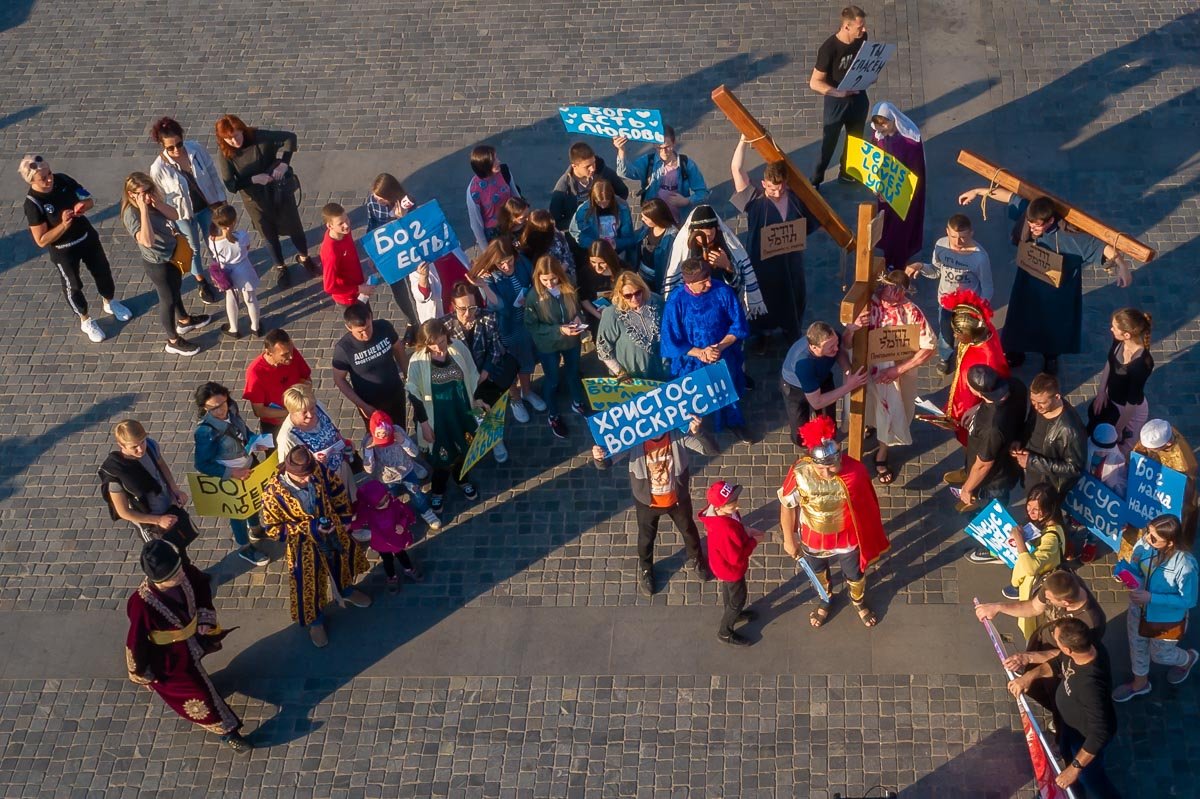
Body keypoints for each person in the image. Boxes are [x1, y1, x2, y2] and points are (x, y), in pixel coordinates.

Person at [957, 188, 1134, 375]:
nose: (1032, 228)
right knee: (1021, 319)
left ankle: (1050, 357)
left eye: (1038, 225)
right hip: (1028, 283)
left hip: (1057, 292)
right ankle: (1016, 352)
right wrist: (978, 191)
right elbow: (1008, 195)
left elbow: (1103, 248)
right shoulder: (1031, 213)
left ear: (1050, 221)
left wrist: (1123, 267)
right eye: (1030, 223)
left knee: (1053, 324)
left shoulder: (1072, 236)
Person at [125, 540, 251, 753]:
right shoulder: (141, 604)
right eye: (174, 575)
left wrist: (204, 619)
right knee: (200, 696)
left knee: (202, 674)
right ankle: (228, 732)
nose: (181, 575)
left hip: (193, 638)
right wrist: (142, 673)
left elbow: (202, 586)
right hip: (169, 660)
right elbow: (136, 641)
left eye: (179, 569)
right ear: (161, 581)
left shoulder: (186, 572)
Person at [778, 416, 890, 627]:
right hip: (813, 537)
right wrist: (788, 538)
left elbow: (866, 506)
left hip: (847, 538)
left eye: (831, 467)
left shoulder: (855, 472)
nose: (827, 473)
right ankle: (825, 599)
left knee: (855, 574)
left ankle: (858, 601)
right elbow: (787, 505)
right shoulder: (799, 472)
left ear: (839, 458)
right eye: (821, 469)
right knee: (818, 573)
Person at [259, 447, 372, 648]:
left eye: (309, 475)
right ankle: (315, 621)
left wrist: (345, 518)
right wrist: (310, 527)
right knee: (308, 585)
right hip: (303, 545)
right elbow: (273, 530)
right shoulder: (272, 493)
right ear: (288, 470)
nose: (307, 480)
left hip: (332, 532)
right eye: (302, 477)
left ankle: (346, 590)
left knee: (341, 563)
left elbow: (337, 491)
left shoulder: (317, 469)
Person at [591, 416, 715, 596]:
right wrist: (599, 457)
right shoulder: (633, 438)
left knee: (689, 530)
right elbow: (606, 462)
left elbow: (710, 449)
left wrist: (699, 432)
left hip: (677, 498)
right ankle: (646, 569)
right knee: (646, 538)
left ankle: (697, 559)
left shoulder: (677, 434)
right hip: (646, 502)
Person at [19, 154, 132, 343]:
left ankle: (110, 302)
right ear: (31, 181)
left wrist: (83, 206)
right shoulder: (33, 204)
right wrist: (63, 225)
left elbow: (89, 200)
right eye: (43, 178)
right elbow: (41, 240)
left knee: (102, 271)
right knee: (73, 285)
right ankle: (85, 319)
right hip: (64, 250)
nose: (49, 179)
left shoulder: (63, 179)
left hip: (87, 237)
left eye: (49, 173)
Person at [1007, 618, 1120, 798]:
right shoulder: (1082, 650)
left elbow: (1101, 732)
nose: (1053, 639)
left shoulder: (1090, 686)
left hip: (1084, 738)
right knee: (1069, 760)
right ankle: (1075, 793)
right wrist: (1029, 676)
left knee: (1092, 779)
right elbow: (1058, 662)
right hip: (1069, 726)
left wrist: (1074, 769)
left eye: (1056, 639)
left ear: (1068, 649)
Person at [842, 270, 936, 482]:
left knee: (889, 414)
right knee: (861, 407)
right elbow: (845, 343)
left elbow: (929, 347)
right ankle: (863, 429)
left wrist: (898, 370)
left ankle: (882, 453)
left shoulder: (911, 312)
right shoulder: (866, 306)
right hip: (864, 369)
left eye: (899, 291)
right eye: (889, 289)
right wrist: (853, 328)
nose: (893, 295)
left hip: (892, 377)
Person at [978, 569, 1108, 712]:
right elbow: (1033, 607)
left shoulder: (1091, 623)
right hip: (1043, 640)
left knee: (1055, 696)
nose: (1046, 600)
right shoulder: (1056, 583)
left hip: (1058, 662)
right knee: (1032, 687)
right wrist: (998, 607)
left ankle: (1061, 718)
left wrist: (1029, 658)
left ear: (1065, 602)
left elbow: (1068, 657)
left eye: (1050, 600)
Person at [214, 114, 315, 289]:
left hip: (279, 191)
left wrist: (284, 163)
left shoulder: (259, 137)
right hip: (255, 201)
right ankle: (281, 267)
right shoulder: (226, 154)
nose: (234, 141)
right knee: (268, 234)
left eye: (236, 135)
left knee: (294, 227)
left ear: (242, 130)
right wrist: (253, 179)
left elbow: (290, 138)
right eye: (228, 139)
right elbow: (231, 184)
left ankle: (304, 257)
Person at [367, 173, 471, 337]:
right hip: (391, 256)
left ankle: (417, 323)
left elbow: (422, 233)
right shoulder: (373, 204)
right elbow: (372, 226)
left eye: (381, 197)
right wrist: (374, 253)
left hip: (410, 256)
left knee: (416, 289)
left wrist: (404, 221)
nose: (378, 201)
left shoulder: (409, 204)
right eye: (376, 197)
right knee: (399, 291)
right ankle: (411, 321)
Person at [730, 141, 815, 340]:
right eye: (771, 189)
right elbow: (736, 168)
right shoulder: (754, 200)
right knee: (763, 298)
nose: (776, 194)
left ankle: (790, 331)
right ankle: (761, 334)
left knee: (792, 296)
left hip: (790, 262)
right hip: (763, 264)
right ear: (763, 184)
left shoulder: (795, 199)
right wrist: (743, 141)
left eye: (780, 189)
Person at [120, 172, 211, 356]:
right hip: (158, 263)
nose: (148, 194)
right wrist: (144, 210)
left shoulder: (152, 202)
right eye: (143, 192)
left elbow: (175, 215)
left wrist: (157, 204)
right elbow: (147, 241)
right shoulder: (132, 214)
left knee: (175, 289)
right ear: (132, 195)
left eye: (150, 189)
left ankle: (184, 321)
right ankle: (173, 341)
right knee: (167, 299)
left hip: (173, 254)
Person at [661, 258, 750, 440]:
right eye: (703, 282)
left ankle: (734, 423)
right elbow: (671, 340)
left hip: (722, 355)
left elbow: (738, 325)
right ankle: (694, 428)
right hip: (691, 361)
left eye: (709, 278)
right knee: (693, 396)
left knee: (727, 390)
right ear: (689, 283)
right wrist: (700, 352)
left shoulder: (722, 291)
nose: (709, 283)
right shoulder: (676, 301)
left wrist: (719, 347)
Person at [1112, 514, 1198, 702]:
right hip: (1138, 609)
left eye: (1153, 538)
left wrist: (1152, 598)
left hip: (1165, 620)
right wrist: (1126, 574)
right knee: (1137, 647)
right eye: (1147, 532)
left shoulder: (1186, 566)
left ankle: (1188, 659)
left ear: (1170, 543)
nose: (1146, 539)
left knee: (1161, 655)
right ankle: (1139, 684)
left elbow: (1188, 601)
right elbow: (1136, 565)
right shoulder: (1145, 544)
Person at [406, 319, 483, 512]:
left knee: (463, 451)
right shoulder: (417, 361)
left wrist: (478, 400)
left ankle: (461, 479)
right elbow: (414, 395)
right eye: (432, 345)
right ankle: (438, 490)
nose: (439, 348)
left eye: (441, 342)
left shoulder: (457, 347)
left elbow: (472, 373)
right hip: (437, 418)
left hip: (461, 412)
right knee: (440, 460)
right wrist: (424, 425)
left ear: (445, 335)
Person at [192, 382, 271, 567]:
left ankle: (256, 529)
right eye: (213, 408)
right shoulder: (205, 432)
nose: (220, 410)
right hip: (231, 476)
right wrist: (231, 473)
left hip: (248, 465)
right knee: (238, 512)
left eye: (222, 404)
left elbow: (243, 432)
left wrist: (254, 441)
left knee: (252, 501)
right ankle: (244, 547)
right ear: (204, 408)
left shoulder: (233, 409)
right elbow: (202, 464)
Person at [148, 117, 223, 304]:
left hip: (207, 207)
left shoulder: (195, 149)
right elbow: (158, 198)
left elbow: (212, 173)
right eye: (170, 147)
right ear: (162, 146)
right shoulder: (158, 169)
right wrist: (168, 221)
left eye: (179, 144)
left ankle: (219, 272)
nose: (176, 150)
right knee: (193, 249)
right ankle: (201, 282)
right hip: (182, 215)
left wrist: (220, 199)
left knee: (214, 241)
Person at [469, 237, 544, 422]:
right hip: (505, 328)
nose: (506, 266)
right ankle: (515, 399)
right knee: (509, 367)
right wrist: (485, 287)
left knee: (526, 362)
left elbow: (535, 282)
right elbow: (499, 306)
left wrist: (532, 296)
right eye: (501, 263)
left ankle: (527, 391)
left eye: (509, 261)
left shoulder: (522, 263)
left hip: (525, 323)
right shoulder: (489, 276)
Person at [906, 214, 994, 373]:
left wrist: (979, 310)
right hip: (946, 304)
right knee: (945, 334)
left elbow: (987, 287)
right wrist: (919, 266)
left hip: (968, 308)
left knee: (969, 337)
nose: (958, 242)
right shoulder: (941, 246)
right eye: (953, 237)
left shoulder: (980, 257)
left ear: (971, 233)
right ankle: (945, 357)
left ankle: (969, 362)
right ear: (947, 231)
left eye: (963, 237)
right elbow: (935, 271)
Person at [441, 282, 516, 462]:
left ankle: (495, 440)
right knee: (470, 413)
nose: (468, 314)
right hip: (461, 382)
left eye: (472, 308)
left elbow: (496, 348)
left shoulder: (488, 318)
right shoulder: (444, 326)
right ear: (452, 305)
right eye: (462, 309)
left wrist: (485, 372)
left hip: (485, 377)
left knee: (489, 410)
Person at [100, 420, 199, 556]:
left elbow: (161, 465)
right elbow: (123, 512)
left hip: (168, 507)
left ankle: (188, 572)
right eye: (134, 446)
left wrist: (175, 489)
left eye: (142, 442)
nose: (141, 449)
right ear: (121, 445)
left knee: (180, 543)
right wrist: (158, 520)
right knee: (163, 555)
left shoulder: (151, 446)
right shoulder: (116, 474)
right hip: (150, 523)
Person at [948, 365, 1027, 521]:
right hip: (1006, 460)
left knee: (996, 510)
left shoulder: (992, 429)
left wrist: (967, 489)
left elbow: (984, 464)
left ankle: (993, 536)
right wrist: (979, 407)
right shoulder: (1015, 385)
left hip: (995, 478)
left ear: (978, 392)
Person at [661, 205, 767, 320]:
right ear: (693, 231)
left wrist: (728, 266)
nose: (708, 236)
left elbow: (738, 285)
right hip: (696, 311)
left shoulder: (726, 248)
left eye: (711, 231)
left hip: (723, 308)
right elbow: (678, 286)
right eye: (702, 233)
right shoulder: (686, 251)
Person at [524, 256, 589, 439]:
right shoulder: (533, 297)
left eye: (553, 278)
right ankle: (553, 414)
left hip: (571, 341)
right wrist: (559, 330)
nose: (550, 283)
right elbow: (532, 326)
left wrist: (577, 318)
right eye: (545, 280)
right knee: (551, 380)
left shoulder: (568, 287)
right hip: (548, 345)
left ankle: (577, 402)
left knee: (573, 372)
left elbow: (577, 309)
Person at [974, 483, 1068, 603]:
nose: (1030, 512)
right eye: (1028, 506)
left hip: (1031, 590)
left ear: (1049, 509)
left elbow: (1030, 568)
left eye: (1036, 510)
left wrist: (1019, 540)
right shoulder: (1043, 524)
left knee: (1027, 619)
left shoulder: (1051, 539)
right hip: (1026, 583)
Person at [808, 6, 871, 187]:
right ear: (846, 27)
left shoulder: (862, 38)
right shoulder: (829, 49)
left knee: (855, 138)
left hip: (858, 96)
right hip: (836, 101)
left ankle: (847, 172)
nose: (864, 30)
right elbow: (815, 82)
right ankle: (815, 181)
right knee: (828, 144)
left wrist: (869, 75)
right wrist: (839, 92)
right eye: (860, 27)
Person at [698, 480, 766, 646]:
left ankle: (734, 612)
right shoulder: (724, 528)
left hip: (721, 564)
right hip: (730, 568)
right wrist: (754, 541)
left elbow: (737, 527)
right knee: (738, 599)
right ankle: (725, 631)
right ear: (719, 508)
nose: (736, 506)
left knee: (730, 592)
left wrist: (746, 531)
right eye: (731, 504)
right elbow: (736, 556)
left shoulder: (721, 516)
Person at [780, 322, 868, 446]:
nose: (836, 348)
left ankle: (828, 442)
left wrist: (848, 371)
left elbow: (840, 351)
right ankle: (809, 450)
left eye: (836, 343)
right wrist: (849, 386)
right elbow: (817, 402)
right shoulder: (804, 364)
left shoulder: (832, 339)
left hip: (822, 378)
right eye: (831, 347)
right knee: (800, 433)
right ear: (814, 347)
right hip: (796, 389)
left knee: (828, 421)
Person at [941, 290, 1009, 445]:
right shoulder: (983, 329)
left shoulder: (988, 357)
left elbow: (999, 389)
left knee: (971, 442)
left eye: (958, 333)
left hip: (973, 410)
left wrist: (979, 408)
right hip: (964, 400)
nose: (956, 336)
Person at [867, 102, 926, 270]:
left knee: (900, 227)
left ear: (893, 120)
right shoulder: (878, 135)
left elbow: (913, 171)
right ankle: (888, 257)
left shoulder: (910, 140)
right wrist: (876, 185)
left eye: (884, 124)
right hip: (885, 189)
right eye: (878, 125)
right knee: (887, 223)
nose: (881, 128)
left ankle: (898, 264)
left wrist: (894, 191)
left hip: (904, 192)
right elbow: (873, 159)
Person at [331, 302, 407, 430]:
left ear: (371, 317)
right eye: (360, 332)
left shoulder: (384, 327)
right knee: (380, 438)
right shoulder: (344, 348)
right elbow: (339, 379)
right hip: (371, 404)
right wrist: (362, 405)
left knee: (400, 430)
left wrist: (408, 374)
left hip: (395, 393)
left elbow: (398, 348)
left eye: (368, 328)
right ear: (349, 328)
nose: (365, 334)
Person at [276, 383, 358, 502]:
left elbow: (332, 427)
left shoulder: (317, 405)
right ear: (292, 411)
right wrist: (313, 463)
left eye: (312, 408)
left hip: (341, 468)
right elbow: (288, 471)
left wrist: (344, 442)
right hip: (323, 486)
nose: (310, 415)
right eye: (304, 412)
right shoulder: (287, 437)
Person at [360, 410, 440, 529]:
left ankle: (425, 511)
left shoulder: (398, 431)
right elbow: (369, 469)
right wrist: (368, 451)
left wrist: (403, 442)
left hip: (407, 472)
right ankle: (393, 516)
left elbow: (414, 453)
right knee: (389, 500)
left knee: (417, 494)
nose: (385, 442)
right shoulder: (368, 441)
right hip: (386, 479)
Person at [1012, 372, 1086, 500]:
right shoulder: (1039, 406)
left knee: (1037, 509)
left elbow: (1074, 468)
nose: (1036, 406)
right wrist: (1020, 439)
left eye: (1041, 403)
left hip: (1046, 480)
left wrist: (1032, 462)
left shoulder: (1069, 430)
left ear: (1057, 397)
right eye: (1032, 401)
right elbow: (1030, 425)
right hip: (1030, 467)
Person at [614, 126, 710, 222]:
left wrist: (686, 201)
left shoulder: (687, 164)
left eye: (667, 147)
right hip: (655, 217)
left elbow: (703, 192)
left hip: (679, 218)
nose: (664, 151)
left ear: (674, 142)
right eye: (659, 147)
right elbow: (624, 173)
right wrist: (621, 151)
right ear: (654, 145)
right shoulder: (648, 161)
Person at [1091, 308, 1154, 451]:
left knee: (1122, 452)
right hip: (1112, 402)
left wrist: (1118, 430)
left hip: (1129, 413)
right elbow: (1110, 362)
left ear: (1126, 335)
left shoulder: (1141, 364)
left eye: (1114, 327)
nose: (1111, 329)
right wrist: (1101, 392)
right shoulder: (1119, 341)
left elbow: (1131, 404)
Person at [1132, 419, 1198, 547]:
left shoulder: (1183, 463)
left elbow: (1181, 492)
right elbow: (1139, 453)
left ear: (1167, 444)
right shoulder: (1160, 430)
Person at [596, 271, 670, 382]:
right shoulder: (611, 313)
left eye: (638, 293)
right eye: (628, 296)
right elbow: (603, 348)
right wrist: (620, 373)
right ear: (620, 294)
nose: (634, 298)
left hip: (660, 370)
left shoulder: (656, 301)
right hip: (631, 376)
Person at [350, 479, 421, 593]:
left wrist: (402, 525)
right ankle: (391, 577)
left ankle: (408, 569)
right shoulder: (368, 511)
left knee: (402, 555)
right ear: (371, 504)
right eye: (381, 503)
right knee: (387, 560)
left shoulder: (394, 503)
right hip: (382, 542)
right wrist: (346, 525)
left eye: (387, 498)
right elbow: (357, 523)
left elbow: (404, 514)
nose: (386, 503)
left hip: (396, 538)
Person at [243, 329, 313, 436]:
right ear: (268, 353)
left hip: (301, 417)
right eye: (284, 355)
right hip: (275, 427)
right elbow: (259, 411)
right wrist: (291, 412)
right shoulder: (255, 373)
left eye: (291, 351)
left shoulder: (291, 354)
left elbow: (306, 379)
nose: (290, 357)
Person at [549, 141, 629, 235]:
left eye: (593, 163)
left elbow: (623, 192)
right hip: (581, 234)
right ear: (574, 166)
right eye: (587, 166)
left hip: (607, 227)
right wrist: (579, 223)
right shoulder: (563, 188)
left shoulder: (604, 173)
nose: (593, 168)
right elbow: (555, 221)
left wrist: (611, 209)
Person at [207, 203, 262, 338]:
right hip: (244, 269)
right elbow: (247, 248)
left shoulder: (212, 240)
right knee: (250, 299)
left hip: (227, 272)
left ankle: (233, 328)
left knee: (231, 299)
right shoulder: (241, 236)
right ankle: (256, 327)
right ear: (234, 221)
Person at [465, 144, 521, 251]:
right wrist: (487, 252)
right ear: (484, 165)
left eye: (496, 158)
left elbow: (516, 196)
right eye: (494, 160)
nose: (498, 161)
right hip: (495, 234)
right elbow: (476, 225)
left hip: (511, 223)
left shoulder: (504, 171)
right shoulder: (473, 191)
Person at [569, 179, 637, 264]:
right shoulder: (583, 210)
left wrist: (616, 244)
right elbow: (575, 232)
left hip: (616, 252)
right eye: (599, 203)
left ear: (611, 198)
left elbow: (629, 238)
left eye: (606, 203)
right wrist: (595, 244)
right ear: (593, 199)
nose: (603, 206)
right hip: (596, 253)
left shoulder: (622, 208)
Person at [319, 203, 371, 307]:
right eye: (341, 223)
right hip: (349, 300)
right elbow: (329, 287)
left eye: (346, 219)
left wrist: (360, 277)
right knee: (362, 322)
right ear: (330, 226)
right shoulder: (331, 253)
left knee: (368, 316)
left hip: (359, 287)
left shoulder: (345, 232)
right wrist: (358, 289)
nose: (346, 225)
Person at [518, 208, 578, 283]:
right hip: (544, 281)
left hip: (564, 275)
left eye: (553, 225)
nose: (554, 229)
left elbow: (567, 255)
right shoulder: (527, 245)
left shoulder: (557, 236)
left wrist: (562, 268)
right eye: (551, 228)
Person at [633, 198, 678, 293]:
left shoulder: (672, 236)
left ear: (656, 219)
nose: (642, 220)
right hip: (642, 275)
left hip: (658, 279)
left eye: (645, 218)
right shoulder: (646, 228)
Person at [579, 239, 623, 334]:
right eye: (593, 262)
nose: (597, 267)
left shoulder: (623, 270)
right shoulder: (586, 272)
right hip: (597, 317)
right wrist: (600, 316)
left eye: (602, 263)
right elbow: (583, 298)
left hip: (620, 315)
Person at [1086, 423, 1128, 494]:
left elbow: (1119, 481)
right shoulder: (1084, 451)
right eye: (1099, 451)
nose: (1102, 454)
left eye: (1106, 451)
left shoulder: (1118, 460)